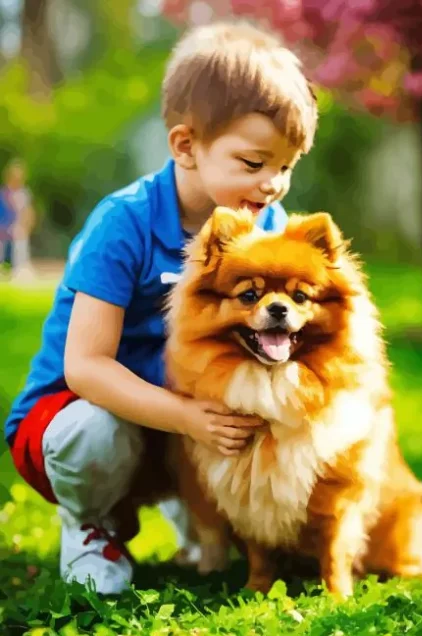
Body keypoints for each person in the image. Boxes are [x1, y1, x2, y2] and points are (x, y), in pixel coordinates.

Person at [4, 21, 318, 595]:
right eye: (254, 164)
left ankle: (201, 510)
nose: (273, 184)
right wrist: (185, 419)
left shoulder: (265, 225)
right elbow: (87, 368)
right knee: (98, 430)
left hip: (180, 414)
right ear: (185, 146)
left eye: (286, 167)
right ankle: (90, 522)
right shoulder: (123, 224)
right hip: (75, 416)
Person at [0, 159, 36, 278]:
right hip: (3, 227)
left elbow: (28, 212)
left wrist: (26, 225)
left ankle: (20, 268)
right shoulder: (3, 193)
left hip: (17, 228)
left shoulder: (24, 193)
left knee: (20, 238)